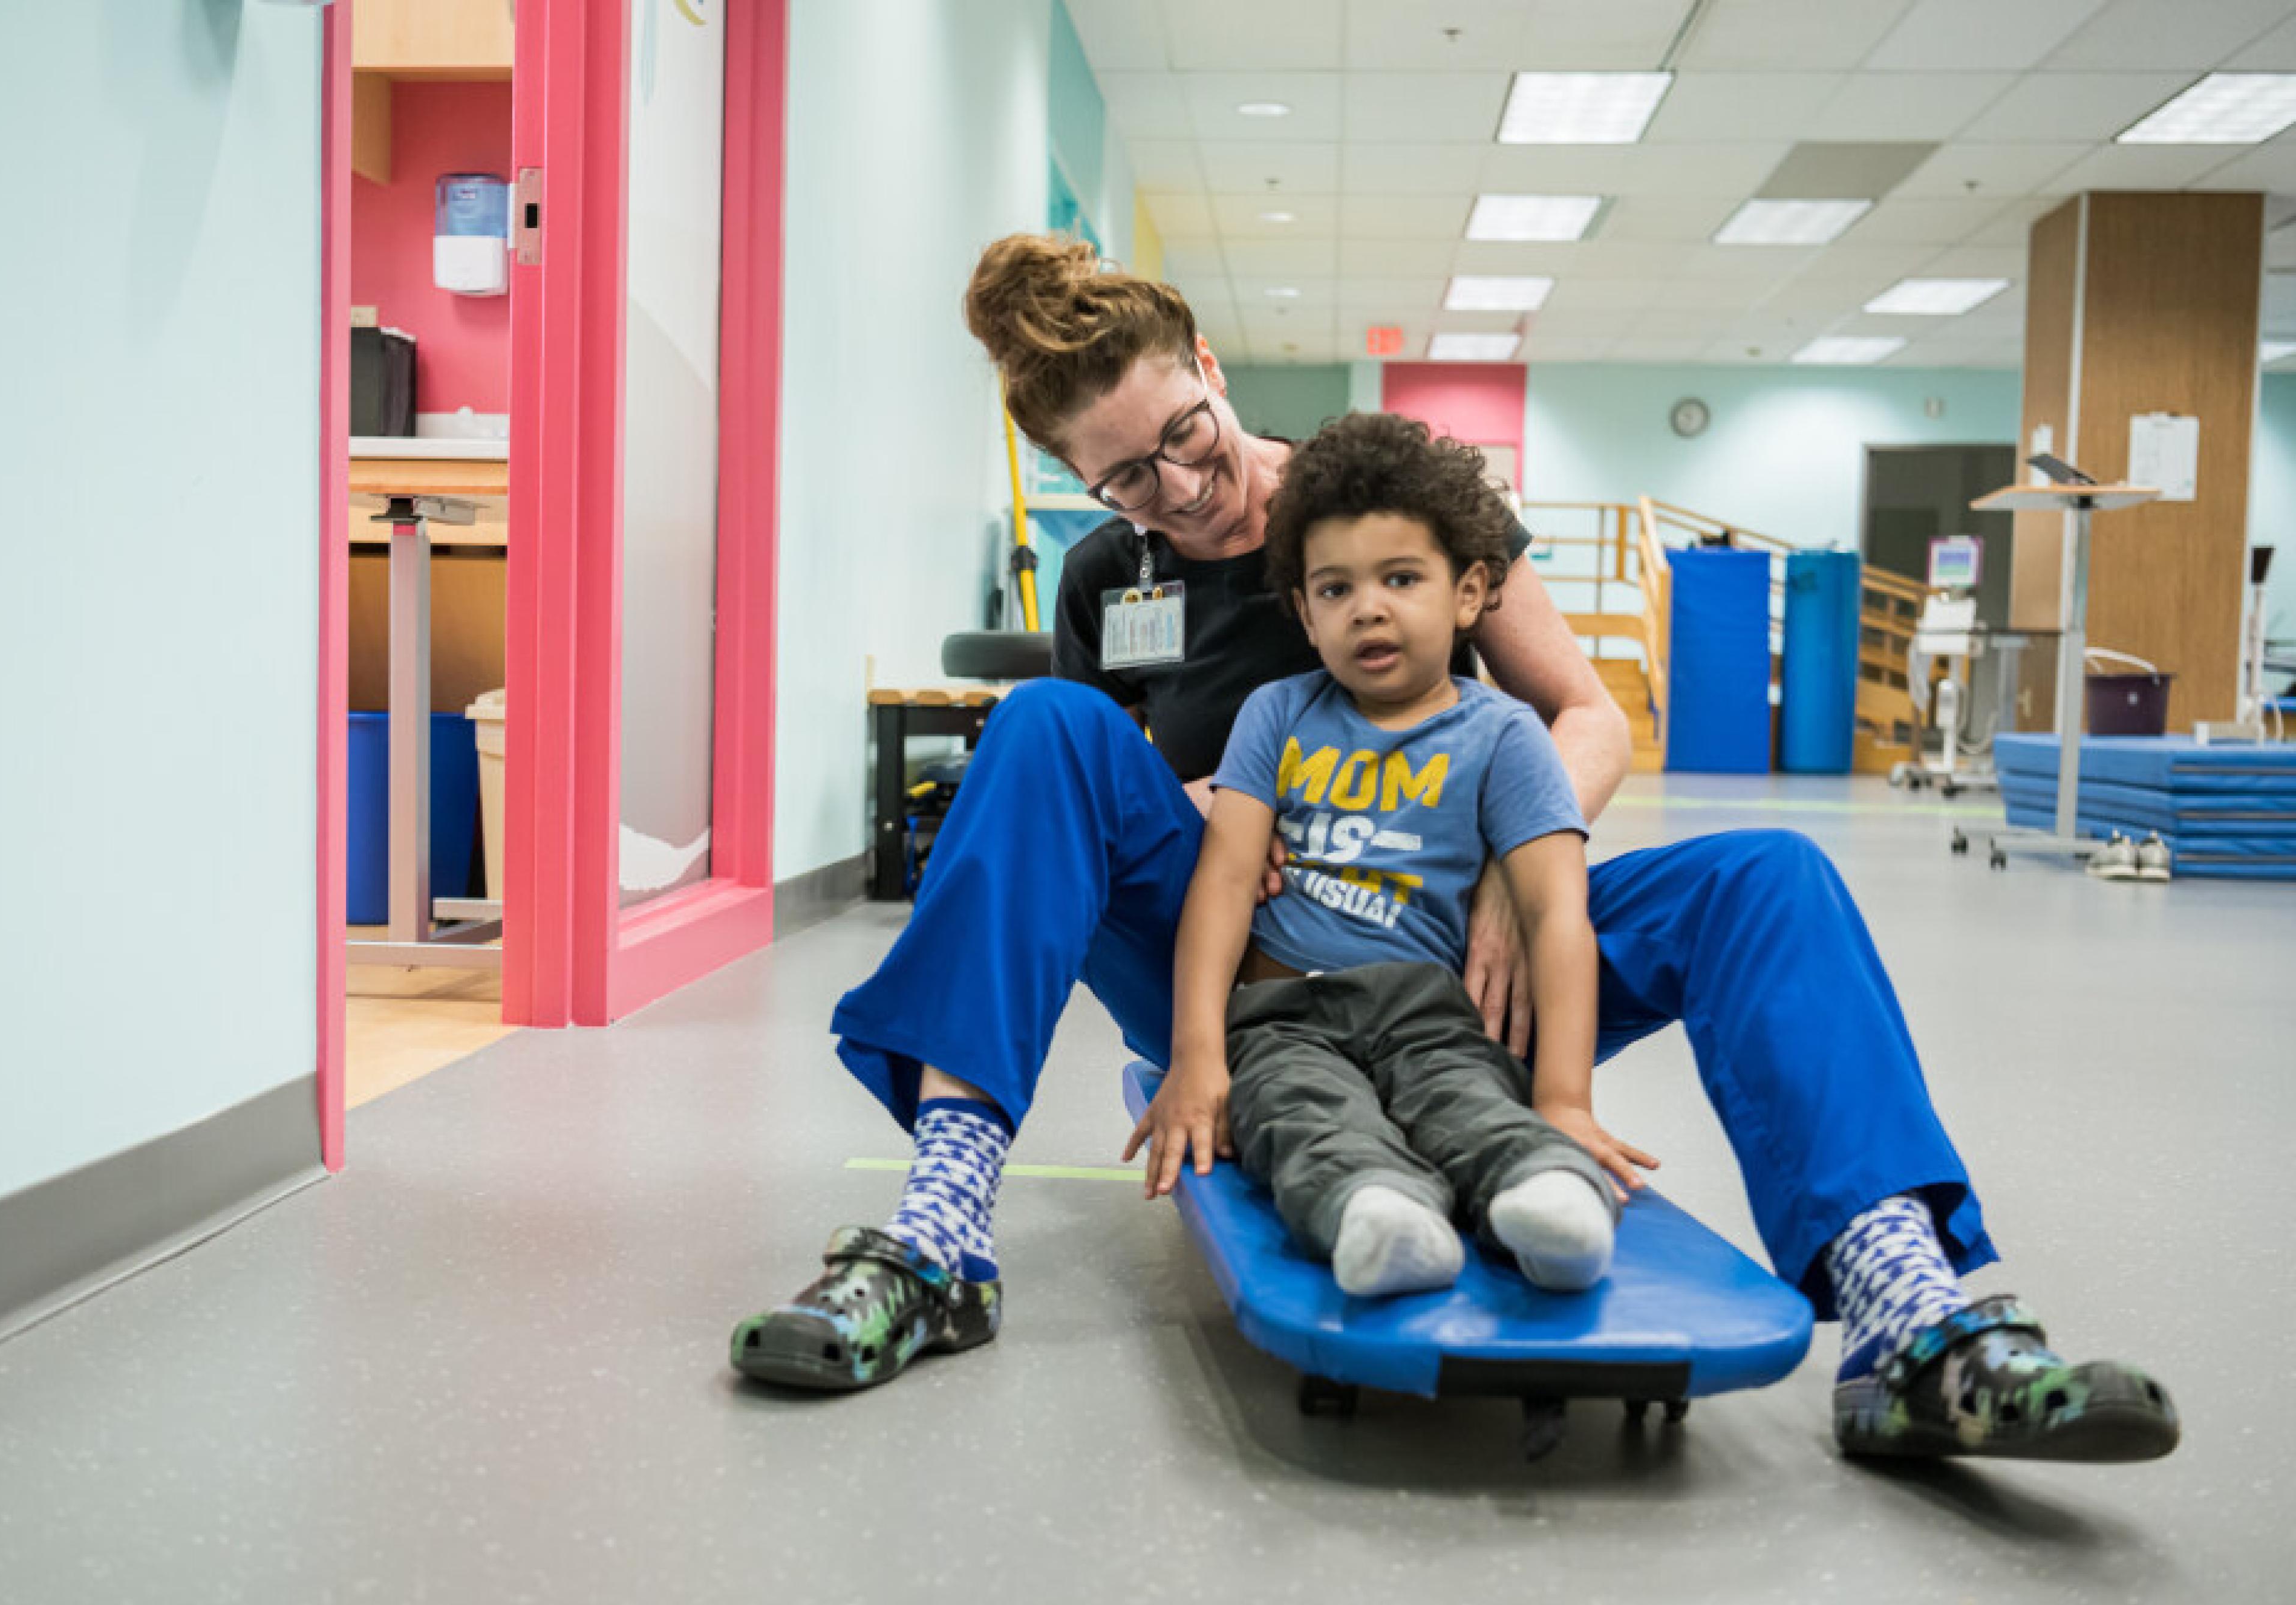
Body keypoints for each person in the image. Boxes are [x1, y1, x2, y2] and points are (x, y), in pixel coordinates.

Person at [732, 233, 2179, 1464]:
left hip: (1461, 949)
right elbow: (1097, 795)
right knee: (1042, 725)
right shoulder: (1113, 578)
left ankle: (1910, 1316)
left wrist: (1512, 862)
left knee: (1768, 879)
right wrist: (1220, 835)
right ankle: (936, 1240)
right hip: (1242, 955)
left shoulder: (1398, 506)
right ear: (1078, 483)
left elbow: (1587, 713)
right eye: (1122, 481)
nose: (1174, 491)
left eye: (1182, 438)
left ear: (1212, 369)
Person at [1143, 411, 1620, 1300]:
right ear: (1304, 612)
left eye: (1402, 578)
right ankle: (1379, 1213)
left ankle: (1549, 1196)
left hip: (1432, 1015)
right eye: (1334, 589)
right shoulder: (1275, 715)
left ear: (1471, 592)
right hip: (1282, 1015)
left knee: (1472, 1105)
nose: (1368, 606)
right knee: (1297, 1117)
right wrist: (1198, 1052)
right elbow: (1225, 883)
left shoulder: (1508, 735)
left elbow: (1558, 915)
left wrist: (1565, 1100)